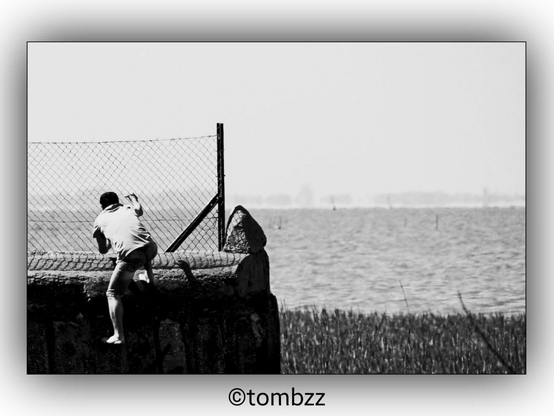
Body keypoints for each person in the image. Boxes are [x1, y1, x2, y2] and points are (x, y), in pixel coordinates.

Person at [92, 192, 158, 345]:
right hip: (151, 248)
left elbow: (103, 249)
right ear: (117, 202)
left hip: (131, 257)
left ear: (102, 206)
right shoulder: (127, 209)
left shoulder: (99, 220)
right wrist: (134, 199)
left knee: (113, 293)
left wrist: (108, 239)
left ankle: (118, 336)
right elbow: (139, 209)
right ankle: (148, 277)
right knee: (141, 249)